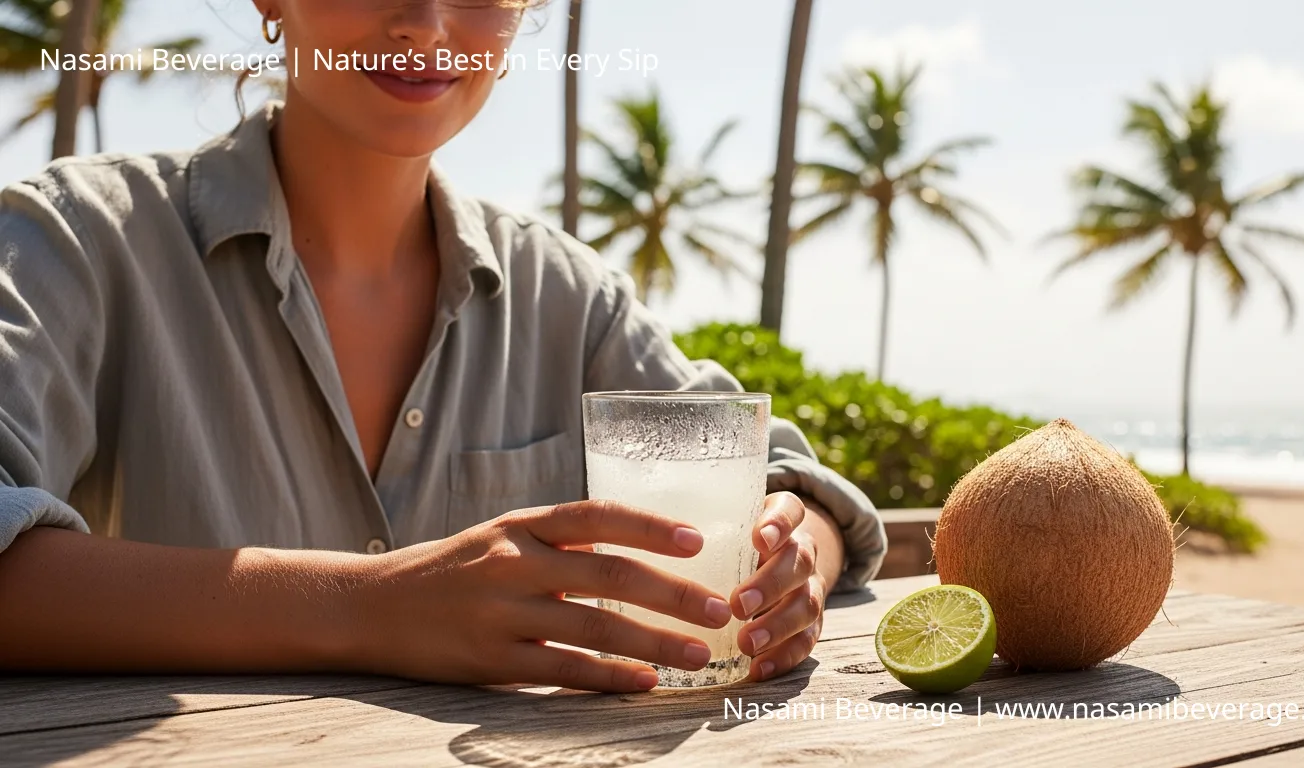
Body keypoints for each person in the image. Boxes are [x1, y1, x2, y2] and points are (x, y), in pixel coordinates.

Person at [0, 0, 885, 693]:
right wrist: (372, 608)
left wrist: (790, 557)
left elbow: (784, 480)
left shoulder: (568, 295)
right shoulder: (79, 241)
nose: (424, 27)